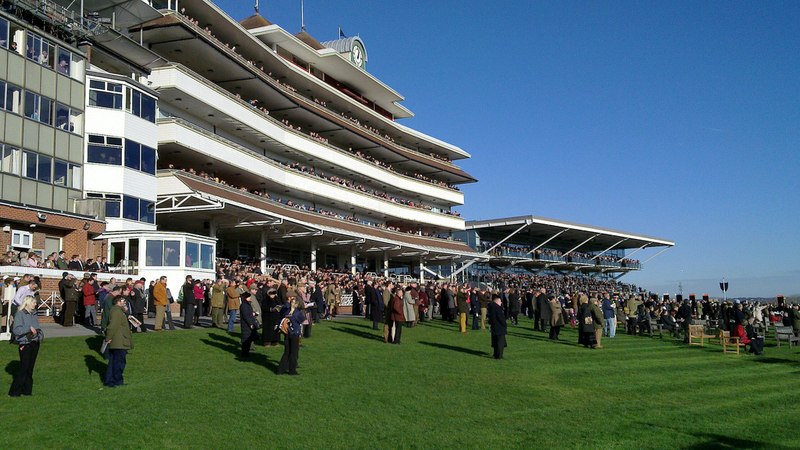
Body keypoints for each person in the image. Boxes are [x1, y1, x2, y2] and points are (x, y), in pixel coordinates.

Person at [8, 296, 42, 397]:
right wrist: (28, 328)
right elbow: (16, 330)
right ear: (27, 303)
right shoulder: (20, 314)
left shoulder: (34, 314)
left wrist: (38, 335)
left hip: (35, 342)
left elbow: (37, 327)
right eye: (33, 302)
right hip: (25, 343)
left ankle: (27, 391)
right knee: (24, 368)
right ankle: (14, 392)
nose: (35, 304)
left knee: (30, 368)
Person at [104, 295, 133, 388]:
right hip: (119, 341)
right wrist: (108, 338)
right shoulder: (116, 311)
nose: (124, 302)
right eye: (123, 300)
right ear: (118, 301)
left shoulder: (118, 311)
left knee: (113, 362)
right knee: (119, 363)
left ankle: (110, 381)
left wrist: (125, 311)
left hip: (118, 341)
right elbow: (112, 326)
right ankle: (117, 381)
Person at [277, 294, 304, 375]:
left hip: (287, 333)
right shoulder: (297, 313)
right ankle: (292, 370)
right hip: (294, 333)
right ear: (296, 305)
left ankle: (281, 370)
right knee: (294, 353)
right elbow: (302, 320)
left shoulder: (286, 311)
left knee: (286, 352)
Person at [239, 292, 259, 357]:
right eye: (249, 297)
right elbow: (245, 315)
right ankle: (244, 354)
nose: (250, 298)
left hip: (248, 323)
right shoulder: (244, 305)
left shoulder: (246, 304)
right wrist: (250, 323)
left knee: (248, 339)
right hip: (246, 324)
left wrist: (253, 313)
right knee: (246, 340)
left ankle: (246, 353)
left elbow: (248, 313)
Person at [488, 294, 507, 359]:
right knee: (500, 342)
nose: (501, 303)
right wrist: (504, 324)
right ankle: (499, 355)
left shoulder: (491, 307)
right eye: (500, 301)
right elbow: (500, 318)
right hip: (499, 327)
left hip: (494, 326)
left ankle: (496, 354)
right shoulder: (497, 308)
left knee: (495, 342)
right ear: (497, 301)